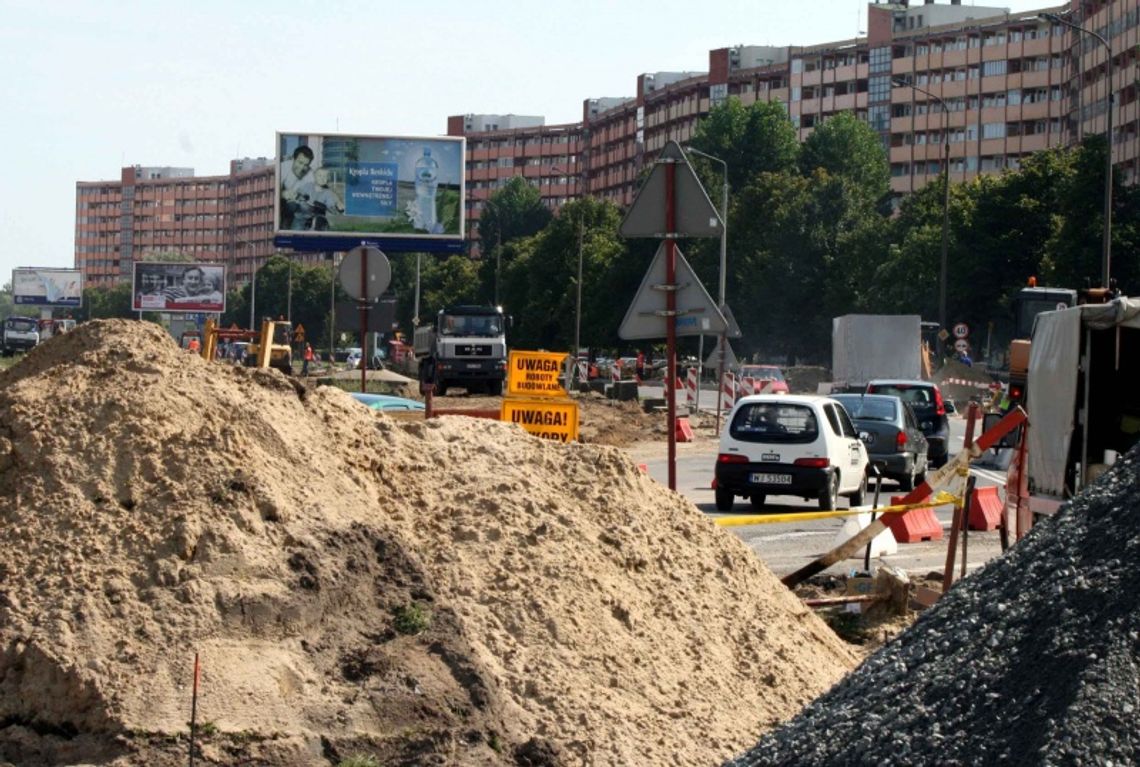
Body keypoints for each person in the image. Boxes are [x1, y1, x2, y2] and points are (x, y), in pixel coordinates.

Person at [280, 145, 315, 230]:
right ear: (293, 159)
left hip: (296, 205)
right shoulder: (282, 167)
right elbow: (272, 190)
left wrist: (302, 198)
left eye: (306, 165)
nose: (302, 167)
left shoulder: (311, 176)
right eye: (300, 162)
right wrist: (282, 194)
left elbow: (311, 199)